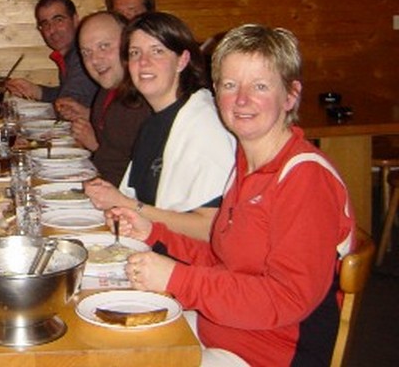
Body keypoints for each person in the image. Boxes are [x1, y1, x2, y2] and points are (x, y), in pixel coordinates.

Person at [112, 24, 356, 367]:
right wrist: (153, 233)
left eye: (260, 86)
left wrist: (178, 278)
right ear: (215, 92)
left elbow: (287, 298)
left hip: (269, 354)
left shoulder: (305, 179)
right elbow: (224, 259)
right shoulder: (246, 165)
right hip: (220, 330)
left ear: (290, 95)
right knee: (113, 341)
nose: (241, 100)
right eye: (229, 85)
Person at [84, 12, 234, 240]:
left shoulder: (205, 125)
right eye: (135, 53)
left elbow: (211, 228)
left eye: (157, 51)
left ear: (182, 60)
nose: (143, 62)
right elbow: (138, 201)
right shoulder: (153, 123)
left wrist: (127, 206)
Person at [65, 11, 151, 186]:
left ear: (129, 44)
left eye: (104, 46)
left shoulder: (142, 101)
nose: (95, 60)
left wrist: (95, 146)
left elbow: (139, 179)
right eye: (86, 53)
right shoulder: (106, 91)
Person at [6, 0, 98, 114]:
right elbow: (67, 94)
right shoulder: (69, 54)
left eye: (59, 20)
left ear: (75, 20)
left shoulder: (83, 55)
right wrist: (37, 91)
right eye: (45, 24)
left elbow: (69, 105)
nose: (52, 30)